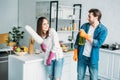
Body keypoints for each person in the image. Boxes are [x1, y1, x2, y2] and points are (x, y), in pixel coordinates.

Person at [73, 8, 108, 80]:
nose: (87, 18)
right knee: (80, 77)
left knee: (94, 78)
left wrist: (86, 36)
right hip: (82, 56)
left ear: (96, 17)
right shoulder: (84, 26)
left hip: (93, 58)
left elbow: (98, 44)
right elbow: (78, 40)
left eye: (89, 16)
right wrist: (75, 52)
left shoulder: (103, 30)